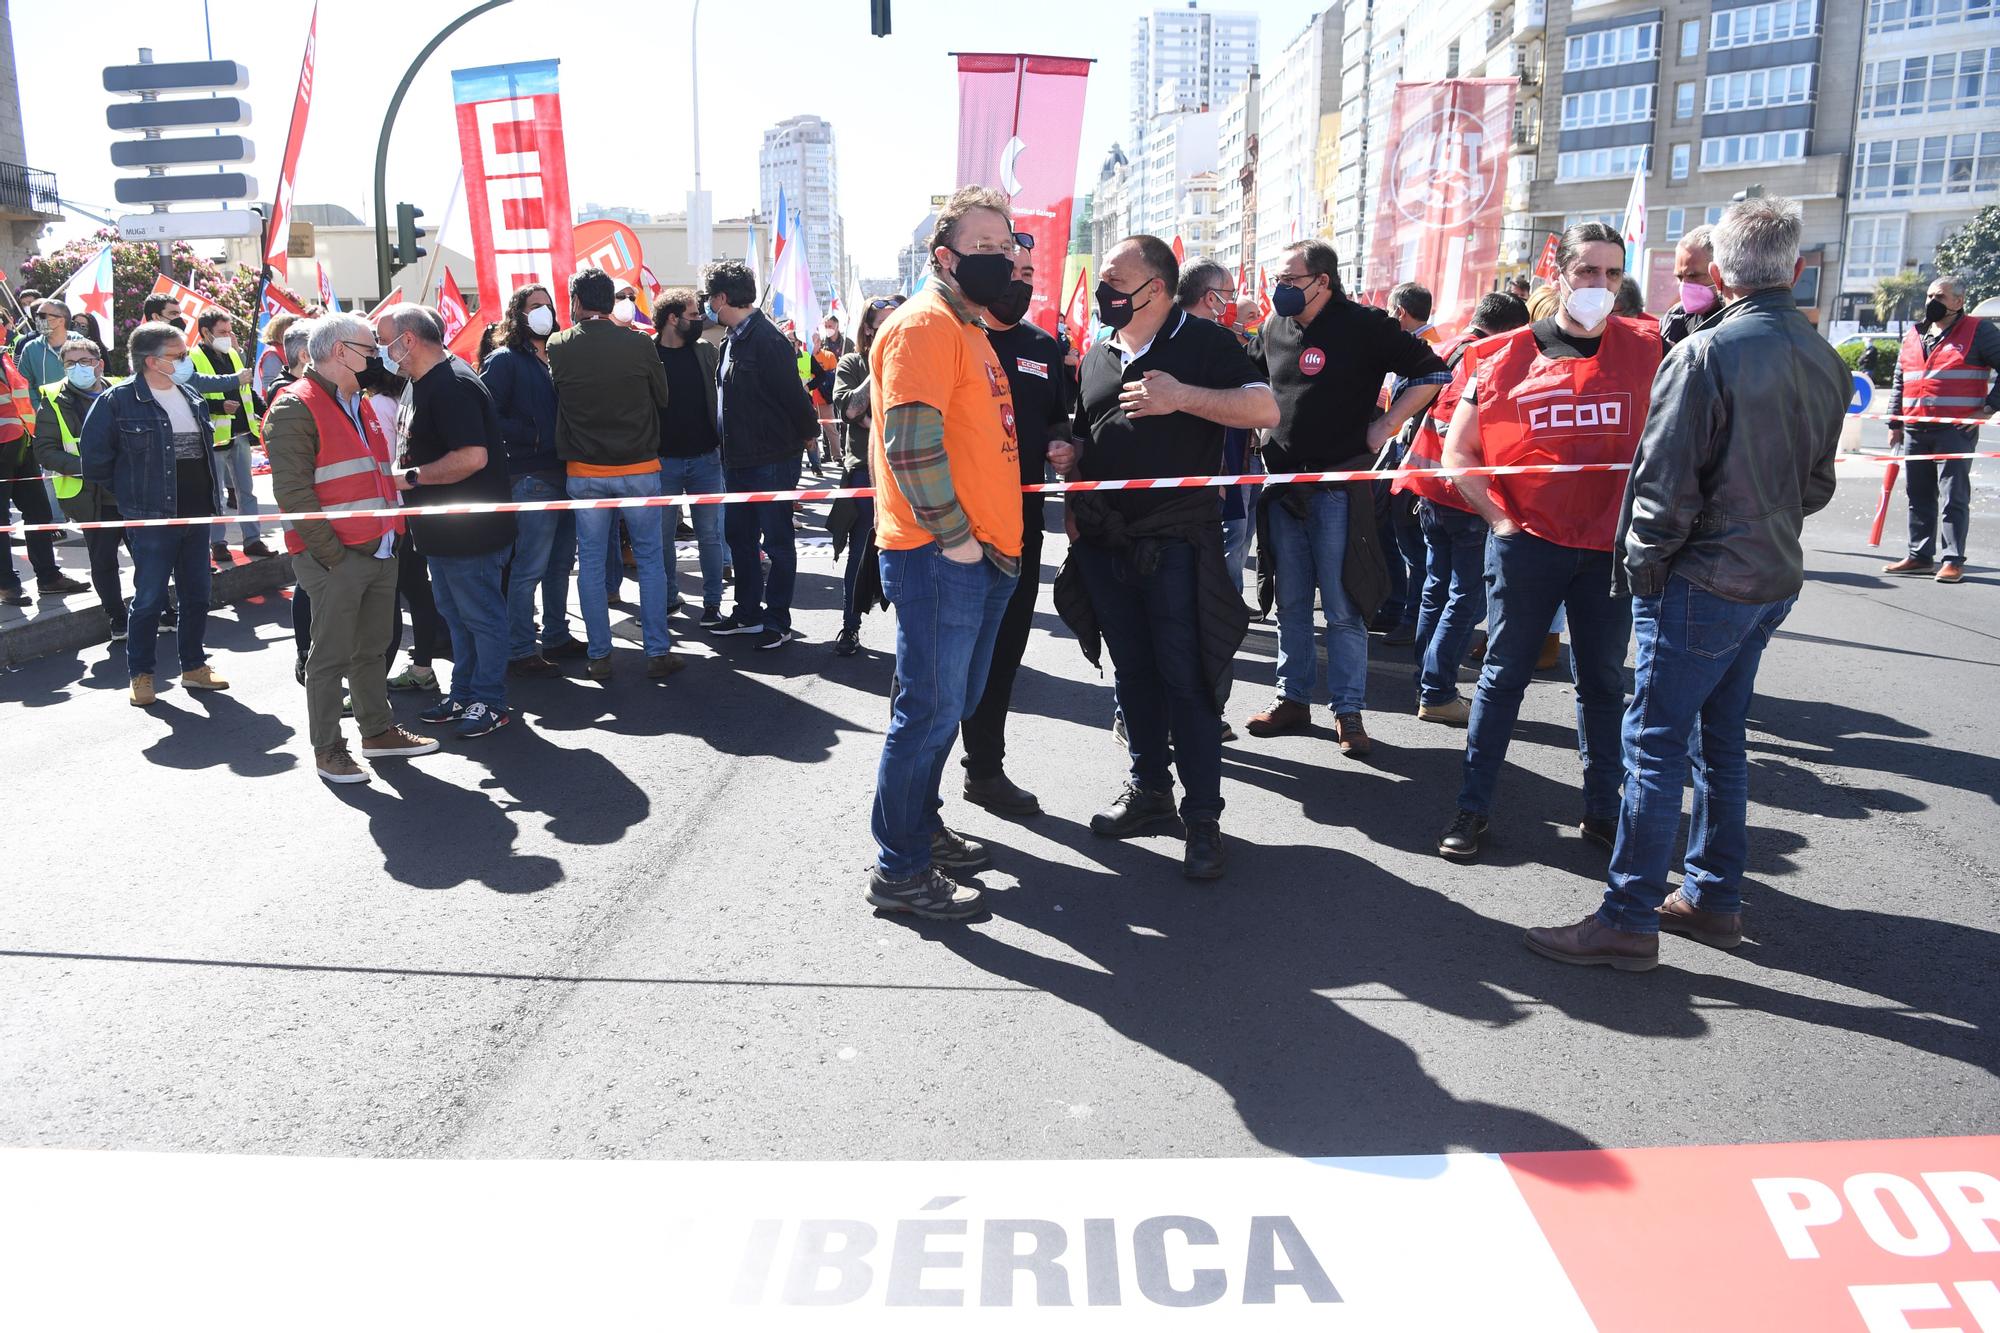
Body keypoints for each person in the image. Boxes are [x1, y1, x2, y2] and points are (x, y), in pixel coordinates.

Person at [1527, 195, 1848, 970]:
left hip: (1704, 579)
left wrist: (1643, 574)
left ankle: (1631, 915)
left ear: (1722, 272)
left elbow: (1662, 490)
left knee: (1655, 745)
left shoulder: (1704, 354)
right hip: (1769, 574)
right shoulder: (1823, 358)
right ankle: (1711, 897)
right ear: (1796, 271)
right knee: (1719, 742)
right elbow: (1816, 486)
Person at [1436, 222, 1661, 862]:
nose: (1601, 285)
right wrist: (1503, 522)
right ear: (1557, 273)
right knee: (1503, 678)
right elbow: (1460, 452)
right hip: (1528, 544)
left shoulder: (1649, 349)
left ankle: (1602, 813)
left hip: (1608, 549)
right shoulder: (1499, 356)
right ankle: (1471, 810)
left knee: (1600, 684)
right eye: (1588, 271)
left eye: (1613, 274)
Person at [1059, 235, 1278, 879]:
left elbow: (1264, 407)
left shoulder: (1206, 342)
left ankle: (1203, 817)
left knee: (1187, 679)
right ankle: (1150, 792)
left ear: (1156, 287)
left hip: (1178, 541)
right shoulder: (1097, 353)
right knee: (1133, 675)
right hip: (1106, 542)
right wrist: (1073, 469)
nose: (1105, 293)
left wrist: (1181, 397)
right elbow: (1085, 430)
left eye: (1116, 283)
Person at [864, 185, 1026, 920]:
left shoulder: (971, 328)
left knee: (942, 707)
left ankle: (920, 831)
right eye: (986, 248)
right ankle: (899, 869)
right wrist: (958, 540)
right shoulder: (925, 325)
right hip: (942, 556)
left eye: (1007, 246)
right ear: (945, 255)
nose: (1003, 259)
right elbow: (909, 443)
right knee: (928, 711)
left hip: (979, 555)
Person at [1245, 240, 1448, 756]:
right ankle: (1292, 699)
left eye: (1290, 279)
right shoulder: (1274, 327)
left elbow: (1433, 372)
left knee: (1342, 605)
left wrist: (1387, 424)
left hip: (1338, 487)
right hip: (1283, 486)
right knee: (1290, 602)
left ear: (1322, 281)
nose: (1280, 288)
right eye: (1279, 279)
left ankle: (1348, 712)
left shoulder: (1366, 324)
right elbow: (1249, 382)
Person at [266, 313, 442, 783]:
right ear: (341, 351)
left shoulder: (357, 402)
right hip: (337, 558)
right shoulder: (294, 407)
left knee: (373, 647)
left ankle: (377, 731)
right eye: (369, 348)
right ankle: (329, 749)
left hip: (380, 548)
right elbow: (295, 495)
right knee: (329, 656)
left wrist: (392, 537)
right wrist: (334, 558)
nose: (378, 356)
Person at [959, 245, 1073, 817]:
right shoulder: (957, 335)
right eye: (1014, 272)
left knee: (1003, 654)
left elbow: (1060, 414)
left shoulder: (1043, 347)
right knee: (934, 668)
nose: (1021, 282)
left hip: (1020, 526)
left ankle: (984, 770)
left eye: (1030, 274)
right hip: (952, 527)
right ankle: (915, 804)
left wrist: (1062, 443)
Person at [376, 303, 519, 737]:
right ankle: (465, 692)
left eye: (384, 341)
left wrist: (410, 479)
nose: (379, 351)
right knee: (457, 617)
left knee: (481, 616)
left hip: (470, 530)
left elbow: (473, 457)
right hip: (442, 530)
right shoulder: (421, 382)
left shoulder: (452, 385)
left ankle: (490, 701)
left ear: (408, 340)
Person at [1392, 290, 1531, 726]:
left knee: (1437, 587)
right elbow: (1472, 432)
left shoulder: (1446, 348)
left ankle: (1427, 678)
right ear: (1510, 329)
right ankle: (1437, 690)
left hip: (1429, 488)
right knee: (1465, 597)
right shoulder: (1486, 359)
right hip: (1464, 496)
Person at [77, 320, 232, 706]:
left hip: (196, 517)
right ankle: (142, 675)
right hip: (151, 519)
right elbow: (95, 462)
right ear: (151, 361)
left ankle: (194, 667)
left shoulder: (191, 395)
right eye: (178, 356)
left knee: (197, 595)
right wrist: (135, 499)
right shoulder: (117, 401)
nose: (186, 362)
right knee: (148, 599)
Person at [545, 267, 681, 681]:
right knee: (650, 560)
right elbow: (663, 396)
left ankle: (600, 654)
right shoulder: (639, 343)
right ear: (613, 302)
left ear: (575, 302)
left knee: (590, 563)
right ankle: (657, 650)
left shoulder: (559, 344)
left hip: (584, 469)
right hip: (639, 465)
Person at [701, 259, 822, 649]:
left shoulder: (768, 340)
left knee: (778, 543)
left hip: (771, 460)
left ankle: (777, 620)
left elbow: (795, 398)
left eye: (709, 298)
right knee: (740, 537)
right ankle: (748, 613)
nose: (707, 306)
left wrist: (808, 437)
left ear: (722, 297)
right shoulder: (731, 340)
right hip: (737, 461)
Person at [482, 283, 583, 677]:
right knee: (528, 568)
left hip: (566, 472)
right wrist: (534, 434)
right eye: (534, 306)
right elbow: (489, 415)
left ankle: (557, 635)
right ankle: (520, 647)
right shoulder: (505, 360)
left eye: (548, 305)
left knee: (560, 564)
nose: (544, 312)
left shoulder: (559, 355)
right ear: (518, 314)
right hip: (528, 474)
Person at [1883, 275, 1998, 584]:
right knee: (1918, 494)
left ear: (1958, 302)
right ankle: (1919, 556)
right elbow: (1900, 380)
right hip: (1915, 427)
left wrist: (1986, 408)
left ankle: (1952, 560)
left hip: (1954, 429)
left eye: (1941, 297)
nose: (1932, 302)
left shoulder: (1979, 331)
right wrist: (1894, 422)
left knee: (1953, 496)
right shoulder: (1914, 333)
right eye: (1930, 295)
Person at [32, 338, 125, 637]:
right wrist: (87, 468)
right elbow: (45, 451)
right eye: (70, 364)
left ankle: (160, 610)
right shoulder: (54, 399)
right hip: (92, 497)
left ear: (99, 362)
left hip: (132, 491)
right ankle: (118, 618)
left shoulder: (124, 390)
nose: (77, 368)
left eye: (83, 361)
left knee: (150, 556)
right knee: (104, 560)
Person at [1179, 260, 1259, 596]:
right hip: (1205, 476)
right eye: (1230, 296)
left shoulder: (1232, 347)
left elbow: (1263, 409)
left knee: (1239, 536)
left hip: (1240, 462)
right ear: (1212, 299)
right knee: (1224, 541)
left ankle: (1229, 606)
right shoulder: (1190, 344)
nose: (1256, 325)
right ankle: (1223, 605)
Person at [1374, 281, 1446, 645]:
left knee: (1412, 547)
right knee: (1392, 534)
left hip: (1412, 460)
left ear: (1400, 311)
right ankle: (1397, 605)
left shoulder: (1426, 349)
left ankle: (1410, 616)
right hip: (1400, 456)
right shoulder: (1422, 345)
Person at [651, 288, 728, 626]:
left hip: (705, 460)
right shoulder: (648, 354)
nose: (700, 320)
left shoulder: (704, 352)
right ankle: (669, 598)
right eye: (695, 315)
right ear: (673, 318)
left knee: (709, 535)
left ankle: (713, 603)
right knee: (663, 537)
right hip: (662, 462)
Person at [2, 313, 87, 605]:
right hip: (4, 448)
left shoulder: (4, 358)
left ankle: (48, 577)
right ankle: (6, 584)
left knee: (39, 513)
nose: (4, 329)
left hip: (21, 446)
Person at [829, 297, 898, 655]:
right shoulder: (853, 362)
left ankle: (913, 636)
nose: (892, 327)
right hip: (864, 471)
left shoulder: (915, 358)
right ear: (869, 327)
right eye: (884, 322)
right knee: (859, 554)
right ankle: (850, 626)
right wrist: (879, 362)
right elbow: (851, 408)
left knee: (912, 556)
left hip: (907, 471)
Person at [190, 311, 273, 564]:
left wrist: (267, 411)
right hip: (214, 438)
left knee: (246, 491)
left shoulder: (234, 355)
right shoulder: (192, 359)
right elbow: (191, 396)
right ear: (205, 332)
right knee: (215, 495)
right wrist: (217, 408)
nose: (229, 337)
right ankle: (218, 544)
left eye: (230, 331)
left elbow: (248, 392)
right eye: (223, 332)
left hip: (240, 434)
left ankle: (253, 540)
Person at [1660, 226, 1723, 353]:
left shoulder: (1738, 317)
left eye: (1693, 276)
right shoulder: (1675, 317)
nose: (1685, 285)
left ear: (1719, 272)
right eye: (1679, 277)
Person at [16, 299, 75, 389]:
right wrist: (37, 403)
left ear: (61, 320)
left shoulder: (82, 344)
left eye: (42, 316)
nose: (37, 319)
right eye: (36, 315)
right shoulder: (30, 349)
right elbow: (22, 384)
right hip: (42, 403)